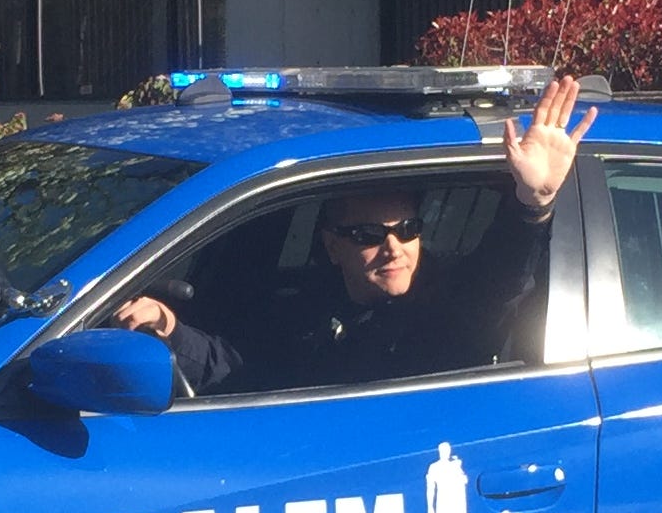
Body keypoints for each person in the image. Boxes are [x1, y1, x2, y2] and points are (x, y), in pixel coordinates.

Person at [115, 72, 596, 396]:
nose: (393, 247)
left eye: (407, 229)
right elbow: (231, 365)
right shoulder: (302, 307)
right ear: (332, 245)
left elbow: (502, 279)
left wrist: (532, 204)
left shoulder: (446, 311)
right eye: (368, 234)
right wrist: (170, 329)